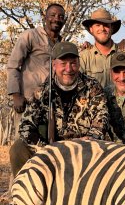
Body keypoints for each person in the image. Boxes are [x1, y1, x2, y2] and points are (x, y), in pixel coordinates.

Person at [9, 41, 110, 178]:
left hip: (84, 149)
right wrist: (45, 149)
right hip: (50, 152)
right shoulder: (42, 91)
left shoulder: (92, 87)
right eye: (63, 64)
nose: (68, 69)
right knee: (18, 149)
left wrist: (84, 142)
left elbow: (101, 121)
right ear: (54, 65)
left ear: (79, 64)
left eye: (73, 63)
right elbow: (26, 127)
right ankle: (23, 194)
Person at [7, 3, 66, 136]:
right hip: (28, 103)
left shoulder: (62, 45)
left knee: (48, 150)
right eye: (53, 15)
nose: (57, 19)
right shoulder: (29, 35)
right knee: (23, 145)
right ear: (45, 17)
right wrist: (16, 95)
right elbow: (13, 65)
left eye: (61, 16)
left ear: (64, 21)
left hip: (52, 107)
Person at [80, 8, 125, 88]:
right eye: (98, 25)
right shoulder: (84, 56)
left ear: (111, 28)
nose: (102, 29)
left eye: (106, 25)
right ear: (91, 29)